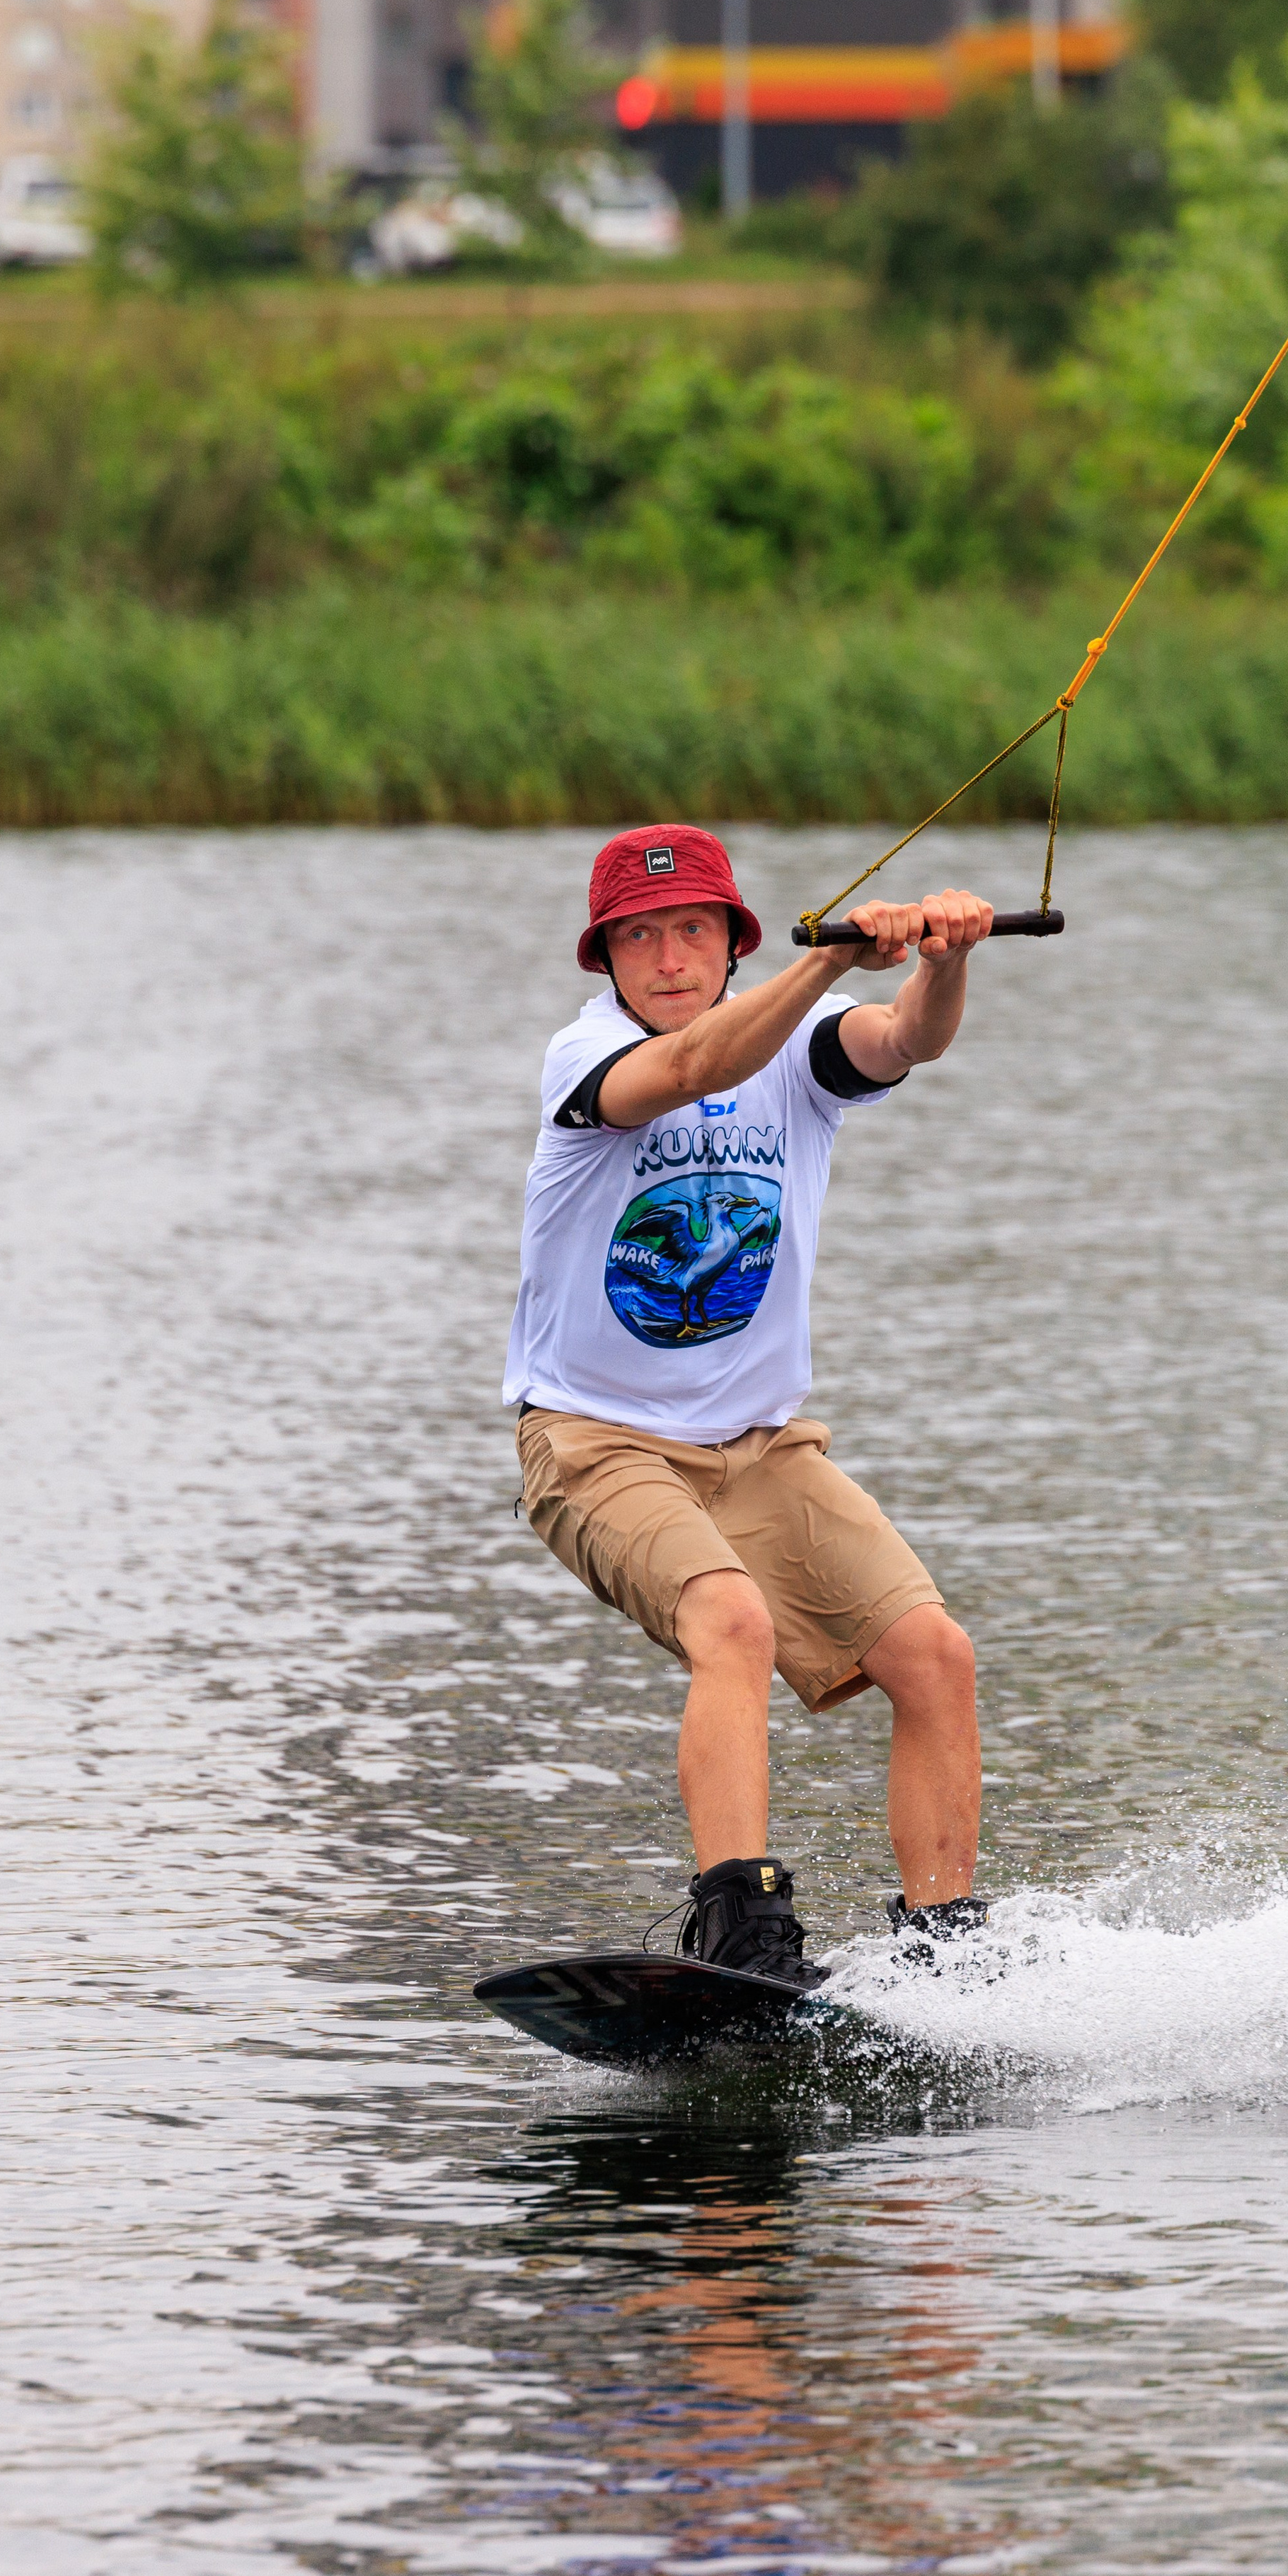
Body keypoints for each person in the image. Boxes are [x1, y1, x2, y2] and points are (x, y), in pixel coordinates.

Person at [505, 824, 994, 1991]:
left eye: (691, 932)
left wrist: (942, 958)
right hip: (595, 1441)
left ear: (731, 942)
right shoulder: (588, 1058)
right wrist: (830, 958)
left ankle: (951, 1957)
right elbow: (690, 1072)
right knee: (732, 1620)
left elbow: (906, 1039)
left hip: (761, 1447)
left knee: (937, 1654)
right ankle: (743, 1927)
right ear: (608, 959)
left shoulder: (802, 1055)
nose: (668, 958)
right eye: (640, 937)